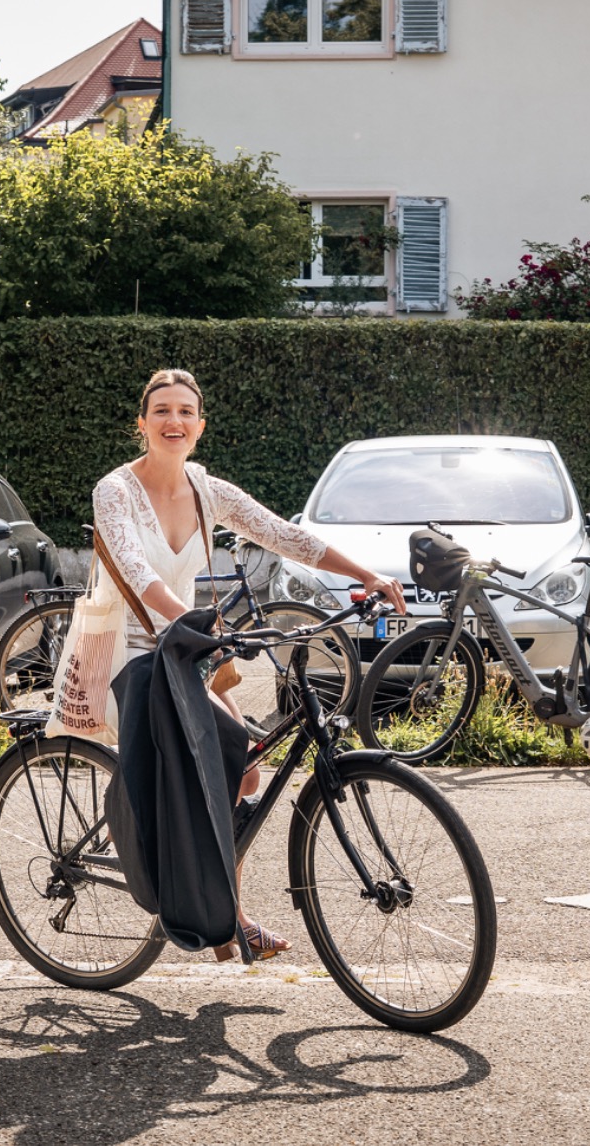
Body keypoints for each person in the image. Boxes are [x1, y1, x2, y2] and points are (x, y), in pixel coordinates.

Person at [91, 368, 406, 961]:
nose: (174, 421)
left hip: (186, 648)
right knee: (227, 761)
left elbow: (284, 535)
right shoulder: (115, 491)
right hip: (132, 652)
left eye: (186, 412)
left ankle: (222, 909)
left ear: (200, 426)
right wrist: (196, 624)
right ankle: (217, 907)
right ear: (142, 424)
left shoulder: (207, 491)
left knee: (246, 771)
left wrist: (365, 574)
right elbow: (137, 571)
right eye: (162, 411)